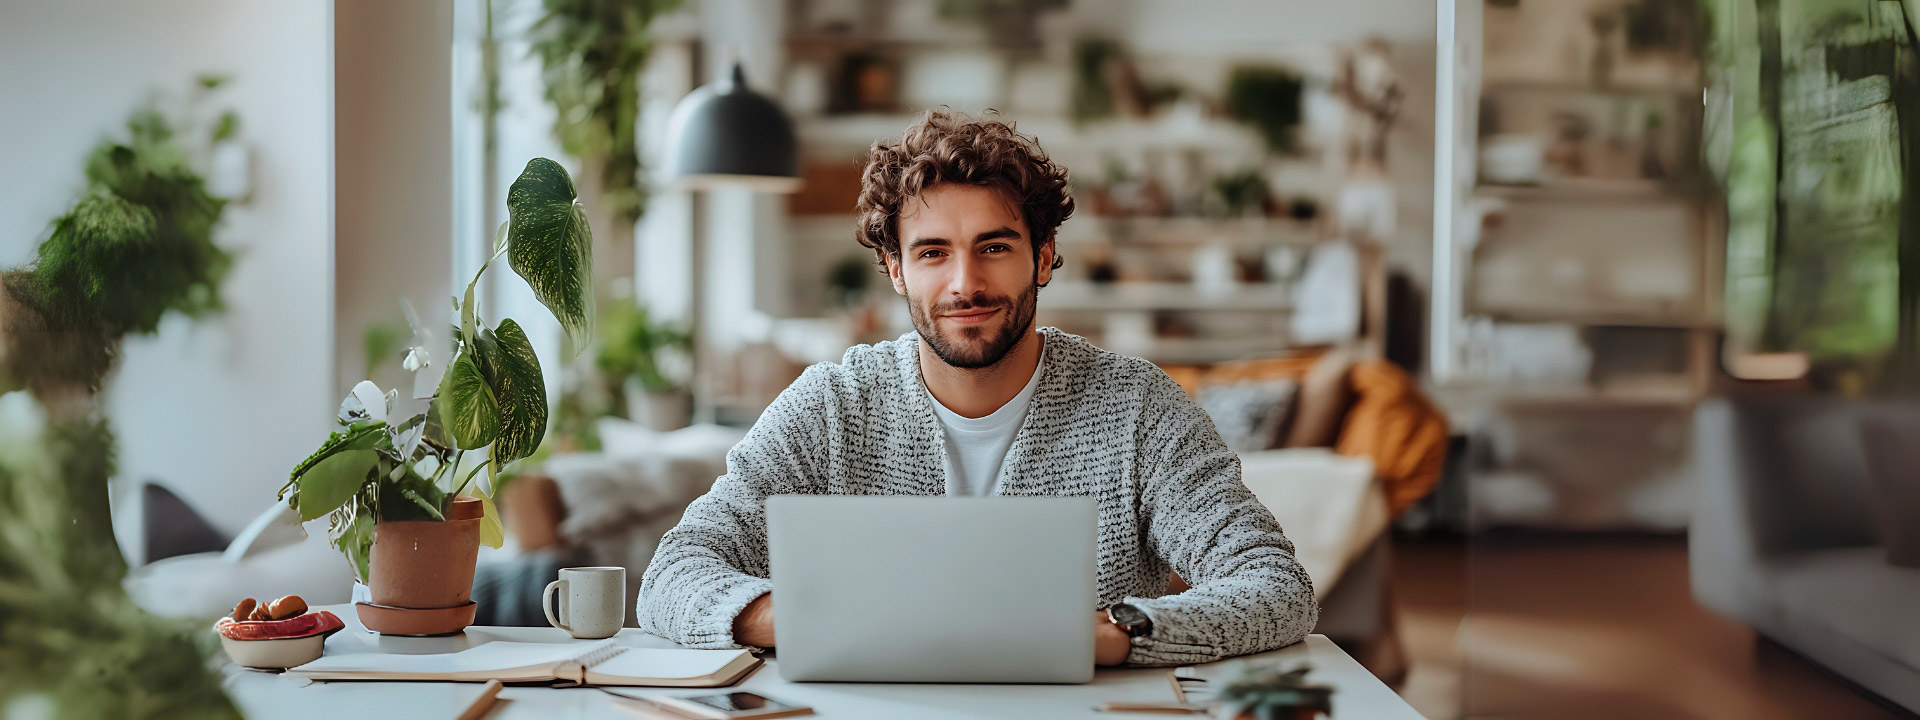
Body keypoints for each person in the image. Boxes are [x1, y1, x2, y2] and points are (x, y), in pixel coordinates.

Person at [637, 110, 1317, 667]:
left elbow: (1276, 587)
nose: (965, 283)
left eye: (993, 247)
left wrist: (1115, 631)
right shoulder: (833, 406)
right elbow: (673, 574)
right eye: (933, 252)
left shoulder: (1136, 407)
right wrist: (810, 619)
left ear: (1043, 256)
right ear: (895, 268)